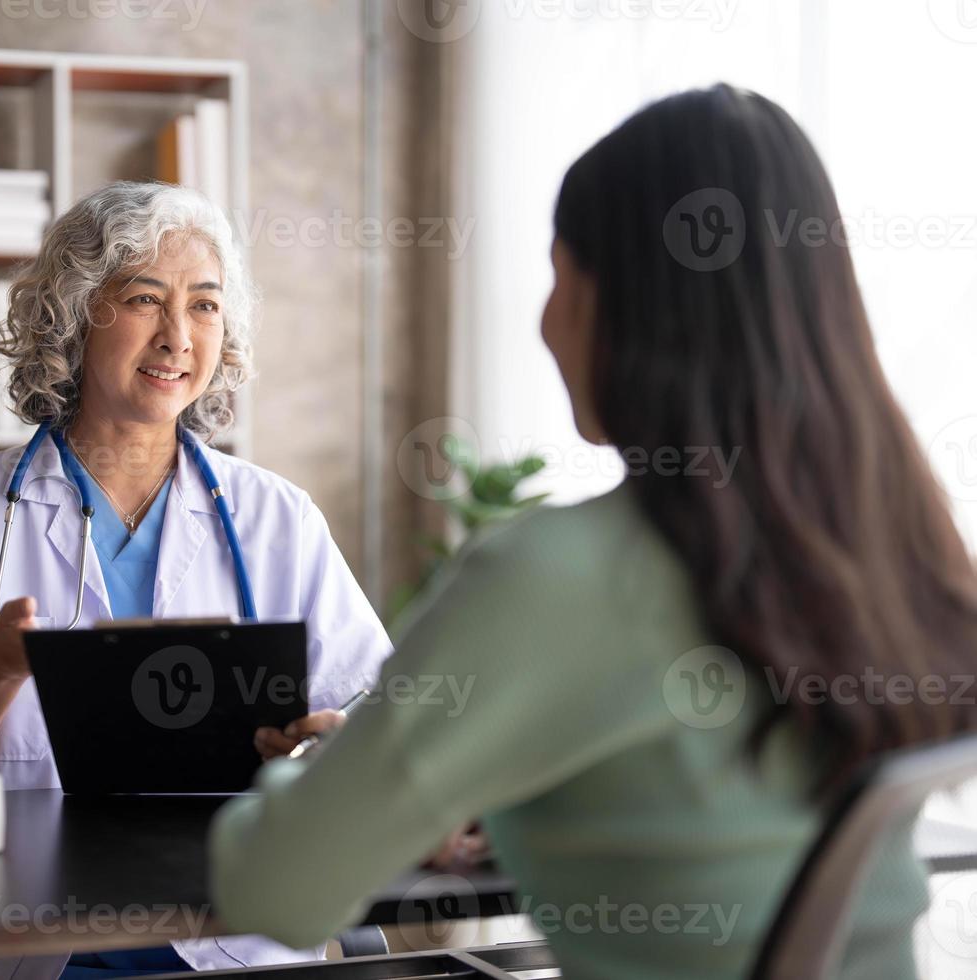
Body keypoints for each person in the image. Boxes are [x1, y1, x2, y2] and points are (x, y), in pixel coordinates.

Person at [208, 84, 977, 979]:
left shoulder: (558, 573)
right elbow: (716, 818)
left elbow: (277, 891)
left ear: (629, 307)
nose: (542, 319)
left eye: (559, 273)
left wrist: (330, 768)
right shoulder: (885, 543)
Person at [0, 181, 391, 977]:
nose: (177, 337)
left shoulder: (279, 521)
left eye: (203, 306)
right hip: (25, 943)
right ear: (74, 313)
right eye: (143, 299)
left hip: (230, 936)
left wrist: (333, 747)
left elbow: (369, 714)